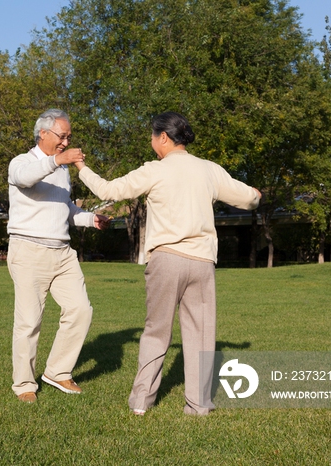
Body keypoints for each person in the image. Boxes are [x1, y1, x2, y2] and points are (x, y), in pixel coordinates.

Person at [73, 112, 261, 415]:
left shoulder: (155, 170)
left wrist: (80, 166)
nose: (151, 141)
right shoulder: (209, 169)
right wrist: (255, 195)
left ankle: (141, 403)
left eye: (152, 135)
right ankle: (199, 406)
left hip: (167, 260)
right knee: (201, 335)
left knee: (157, 331)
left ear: (163, 137)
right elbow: (250, 199)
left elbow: (108, 190)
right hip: (202, 262)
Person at [7, 108, 111, 403]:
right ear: (43, 134)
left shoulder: (62, 170)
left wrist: (91, 219)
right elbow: (25, 179)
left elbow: (65, 209)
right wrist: (57, 161)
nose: (66, 142)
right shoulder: (22, 162)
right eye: (62, 136)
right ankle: (24, 384)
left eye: (68, 137)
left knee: (80, 309)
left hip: (63, 252)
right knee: (29, 322)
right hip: (28, 251)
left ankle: (57, 372)